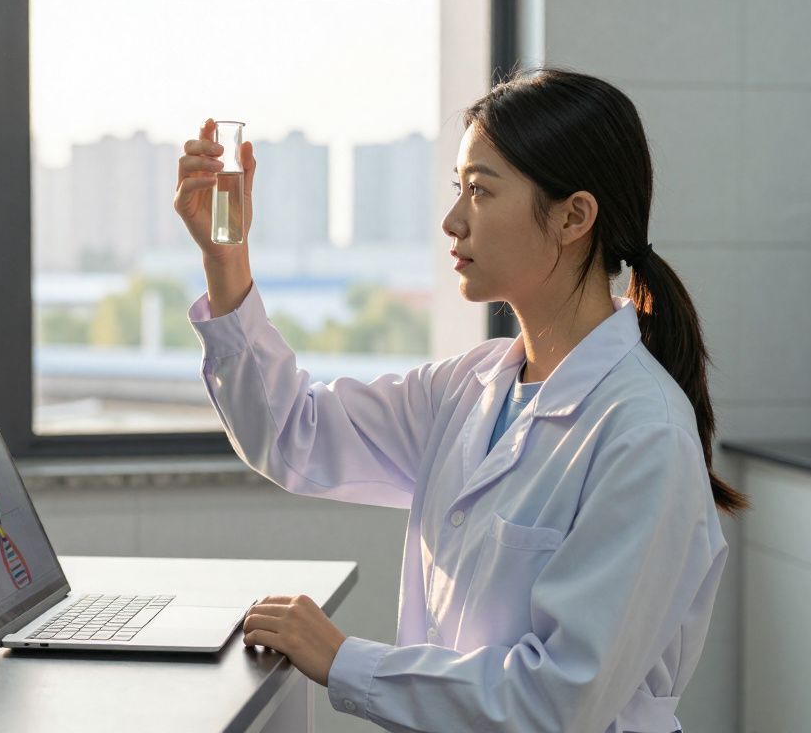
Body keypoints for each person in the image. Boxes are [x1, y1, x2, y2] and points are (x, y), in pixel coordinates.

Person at [172, 68, 744, 733]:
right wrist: (226, 259)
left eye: (480, 190)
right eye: (458, 188)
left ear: (573, 216)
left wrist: (343, 660)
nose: (453, 221)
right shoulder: (471, 388)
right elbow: (293, 432)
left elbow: (557, 701)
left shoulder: (644, 433)